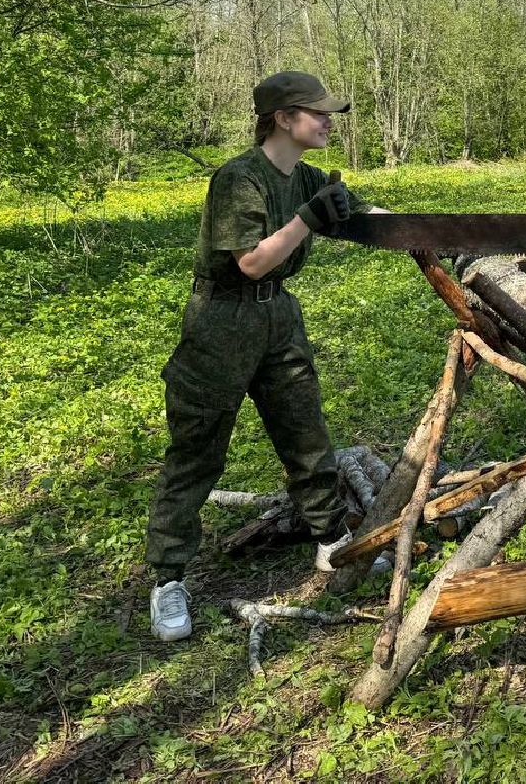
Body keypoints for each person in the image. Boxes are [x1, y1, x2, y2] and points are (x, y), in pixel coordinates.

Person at [147, 70, 370, 642]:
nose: (327, 120)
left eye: (327, 112)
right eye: (315, 112)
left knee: (305, 432)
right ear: (282, 119)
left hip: (278, 318)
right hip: (222, 322)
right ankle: (168, 580)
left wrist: (437, 234)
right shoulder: (239, 179)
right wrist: (309, 218)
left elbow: (362, 216)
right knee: (198, 450)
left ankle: (331, 542)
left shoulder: (306, 177)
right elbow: (249, 262)